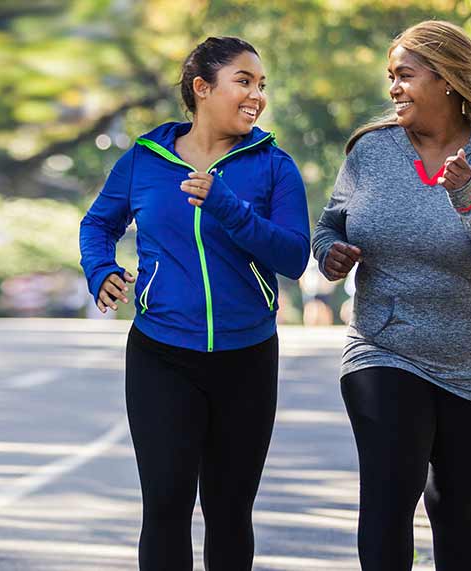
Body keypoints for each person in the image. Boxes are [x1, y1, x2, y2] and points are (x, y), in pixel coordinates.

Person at [312, 20, 471, 571]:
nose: (393, 88)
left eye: (405, 75)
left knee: (457, 510)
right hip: (383, 347)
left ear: (446, 79)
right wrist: (330, 253)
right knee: (387, 499)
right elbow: (329, 227)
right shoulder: (371, 153)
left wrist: (468, 201)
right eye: (390, 77)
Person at [79, 36, 310, 571]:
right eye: (244, 82)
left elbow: (294, 256)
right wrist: (102, 270)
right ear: (202, 89)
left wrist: (227, 206)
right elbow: (98, 223)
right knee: (165, 504)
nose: (256, 95)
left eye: (261, 85)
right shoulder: (145, 159)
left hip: (246, 357)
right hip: (162, 353)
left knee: (230, 511)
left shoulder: (275, 167)